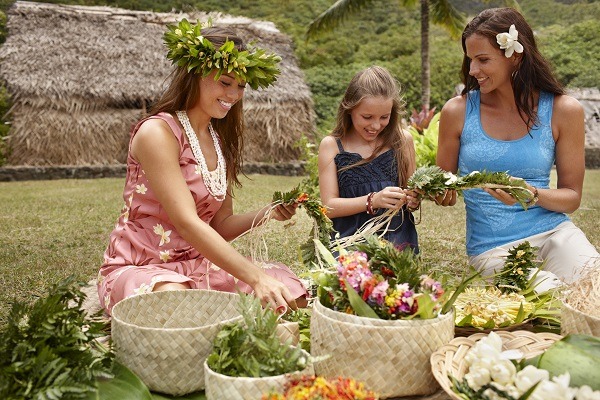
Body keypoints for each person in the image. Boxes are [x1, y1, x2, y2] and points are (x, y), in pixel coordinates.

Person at [97, 20, 308, 315]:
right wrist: (255, 277)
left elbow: (221, 226)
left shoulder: (219, 142)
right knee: (173, 300)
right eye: (225, 82)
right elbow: (186, 222)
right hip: (145, 267)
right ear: (196, 73)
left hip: (199, 265)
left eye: (241, 87)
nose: (233, 96)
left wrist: (268, 212)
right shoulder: (158, 133)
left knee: (291, 293)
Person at [436, 7, 598, 283]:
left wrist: (530, 192)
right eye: (470, 60)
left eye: (483, 59)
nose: (473, 70)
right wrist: (440, 191)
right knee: (547, 294)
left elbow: (571, 197)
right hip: (492, 249)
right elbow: (443, 181)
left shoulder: (563, 110)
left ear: (515, 56)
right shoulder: (457, 112)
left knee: (593, 287)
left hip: (554, 233)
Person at [318, 66, 420, 252]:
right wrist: (373, 200)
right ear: (349, 109)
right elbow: (328, 206)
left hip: (397, 241)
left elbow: (411, 193)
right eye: (367, 117)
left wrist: (413, 199)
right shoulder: (332, 145)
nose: (375, 125)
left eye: (384, 117)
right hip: (348, 243)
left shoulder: (403, 141)